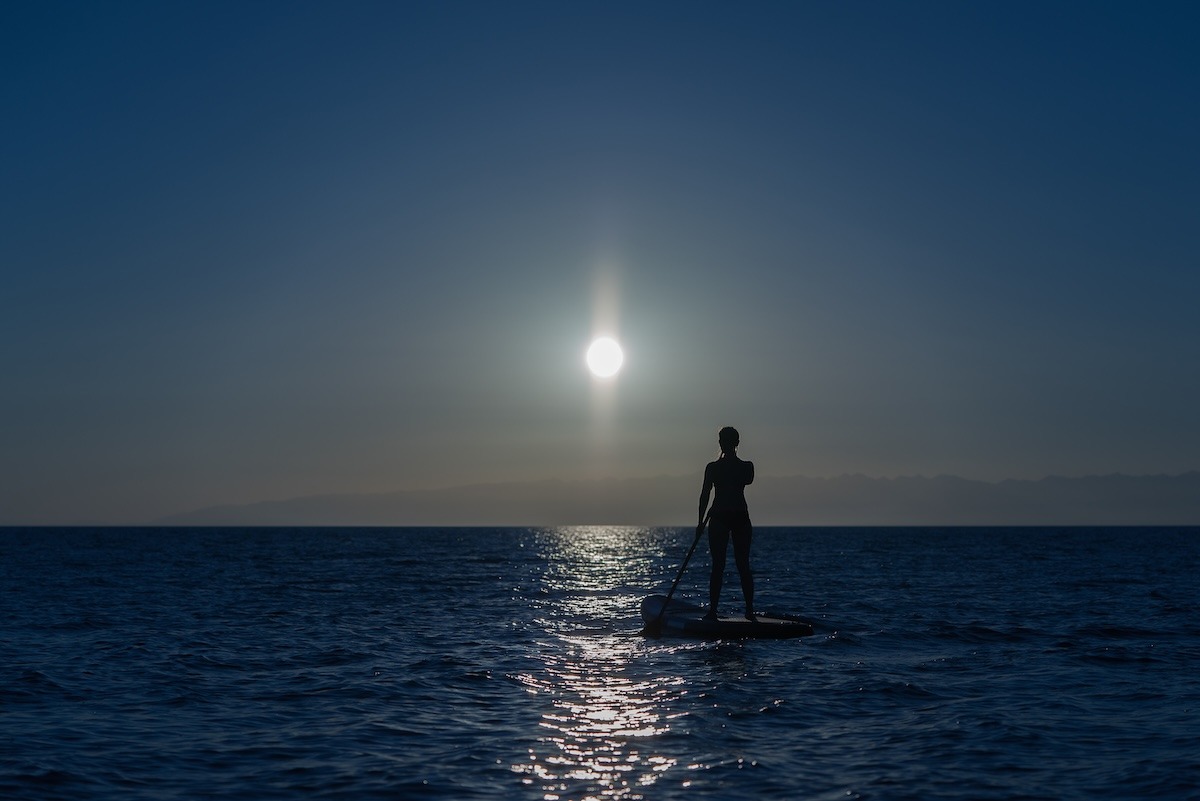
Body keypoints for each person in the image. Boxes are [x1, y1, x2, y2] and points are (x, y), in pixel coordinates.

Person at [697, 426, 755, 621]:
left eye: (726, 440)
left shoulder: (746, 466)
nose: (723, 444)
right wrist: (699, 523)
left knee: (742, 565)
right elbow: (705, 494)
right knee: (718, 565)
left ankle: (749, 611)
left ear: (735, 443)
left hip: (739, 518)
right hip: (719, 518)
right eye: (721, 440)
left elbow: (746, 479)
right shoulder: (712, 468)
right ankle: (712, 611)